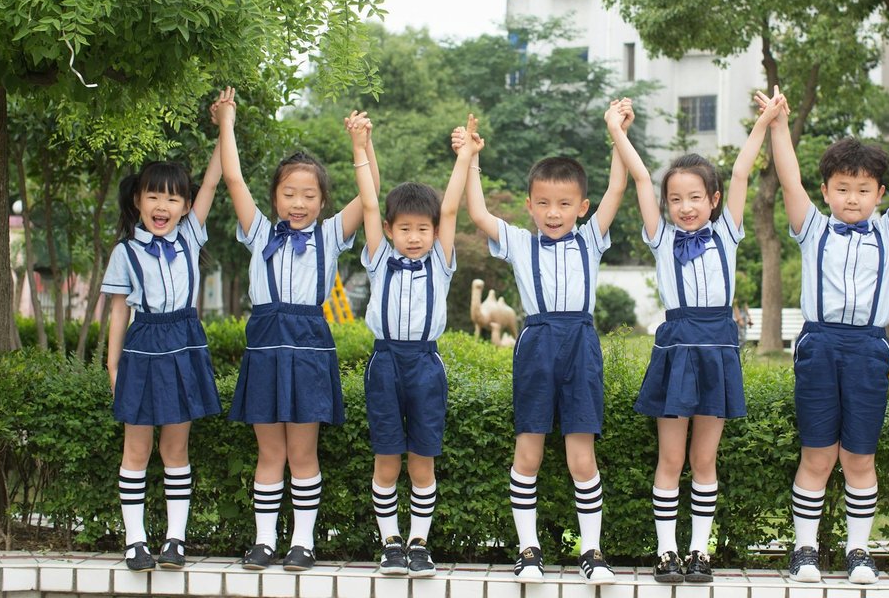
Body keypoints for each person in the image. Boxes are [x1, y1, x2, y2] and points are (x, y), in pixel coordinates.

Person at [769, 88, 889, 585]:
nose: (852, 198)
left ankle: (859, 550)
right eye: (841, 188)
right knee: (817, 453)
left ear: (879, 193)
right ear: (827, 191)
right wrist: (777, 123)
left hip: (868, 349)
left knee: (859, 455)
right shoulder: (811, 227)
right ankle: (804, 549)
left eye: (863, 189)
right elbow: (789, 179)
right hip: (818, 345)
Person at [608, 90, 781, 584]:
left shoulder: (727, 232)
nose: (686, 207)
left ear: (714, 200)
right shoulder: (661, 239)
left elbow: (744, 171)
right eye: (676, 199)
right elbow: (641, 178)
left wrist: (765, 122)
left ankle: (700, 553)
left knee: (704, 459)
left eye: (696, 198)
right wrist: (618, 132)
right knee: (671, 457)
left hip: (719, 345)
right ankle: (666, 553)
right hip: (678, 345)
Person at [456, 103, 631, 584]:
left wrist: (615, 133)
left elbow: (619, 185)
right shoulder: (518, 241)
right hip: (535, 342)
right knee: (528, 451)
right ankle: (528, 549)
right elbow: (476, 211)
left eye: (564, 204)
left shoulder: (592, 238)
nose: (553, 213)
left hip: (579, 341)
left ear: (582, 207)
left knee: (582, 456)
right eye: (544, 204)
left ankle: (592, 551)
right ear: (530, 206)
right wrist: (471, 158)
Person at [216, 87, 377, 572]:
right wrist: (227, 120)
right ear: (275, 198)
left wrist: (361, 145)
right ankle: (265, 542)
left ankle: (303, 543)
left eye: (309, 195)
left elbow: (370, 198)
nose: (298, 202)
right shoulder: (260, 232)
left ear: (323, 201)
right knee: (271, 451)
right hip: (265, 342)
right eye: (289, 193)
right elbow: (233, 177)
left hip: (309, 344)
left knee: (303, 452)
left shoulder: (331, 235)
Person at [101, 97, 226, 572]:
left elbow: (214, 178)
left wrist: (223, 127)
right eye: (154, 196)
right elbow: (117, 313)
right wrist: (113, 366)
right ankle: (135, 543)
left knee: (176, 447)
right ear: (138, 201)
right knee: (137, 447)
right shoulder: (124, 253)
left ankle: (174, 541)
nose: (163, 205)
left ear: (185, 205)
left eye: (173, 197)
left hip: (186, 342)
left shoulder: (191, 236)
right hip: (143, 346)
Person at [350, 112, 473, 578]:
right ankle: (391, 543)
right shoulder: (381, 257)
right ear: (390, 229)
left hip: (425, 363)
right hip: (384, 362)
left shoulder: (441, 261)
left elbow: (452, 208)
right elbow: (367, 203)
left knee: (422, 460)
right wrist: (362, 148)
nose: (415, 237)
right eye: (405, 229)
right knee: (386, 458)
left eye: (422, 228)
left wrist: (464, 158)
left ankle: (419, 542)